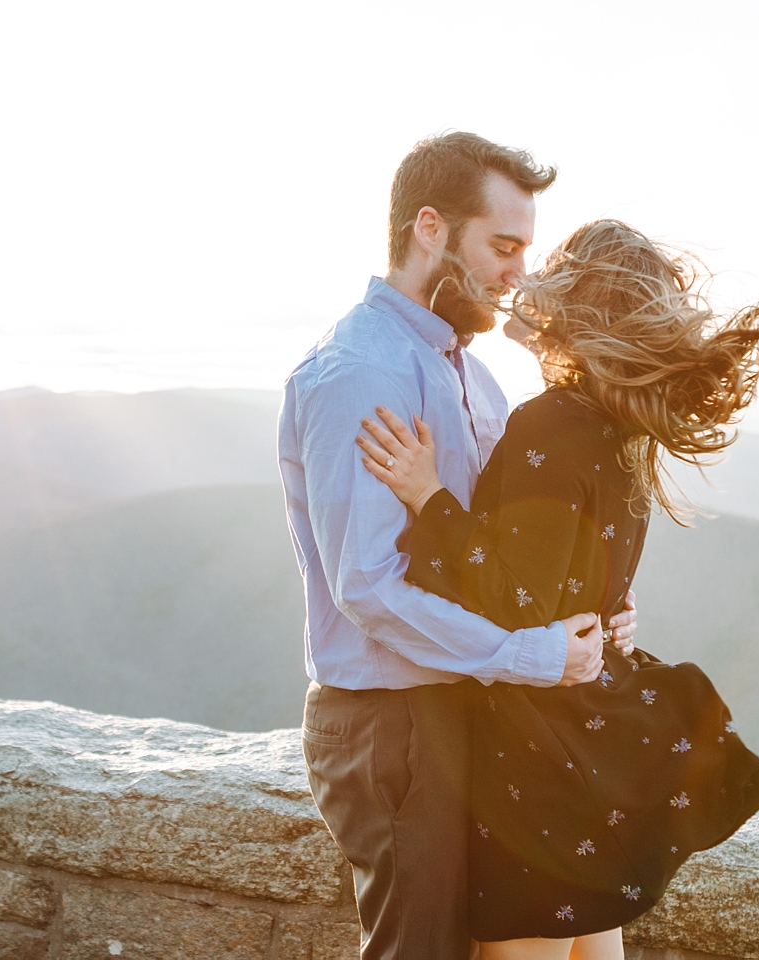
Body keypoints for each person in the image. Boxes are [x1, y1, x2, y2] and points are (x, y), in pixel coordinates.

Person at [356, 219, 759, 960]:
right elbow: (577, 582)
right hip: (590, 748)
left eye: (552, 268)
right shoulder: (620, 431)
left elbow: (511, 601)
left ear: (577, 305)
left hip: (539, 761)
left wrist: (427, 494)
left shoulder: (550, 424)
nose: (528, 278)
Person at [277, 133, 641, 960]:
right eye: (503, 247)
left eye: (525, 249)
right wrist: (528, 654)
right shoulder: (362, 373)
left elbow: (502, 561)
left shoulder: (474, 377)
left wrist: (597, 610)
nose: (519, 273)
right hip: (394, 719)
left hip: (473, 703)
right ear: (431, 230)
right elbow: (368, 588)